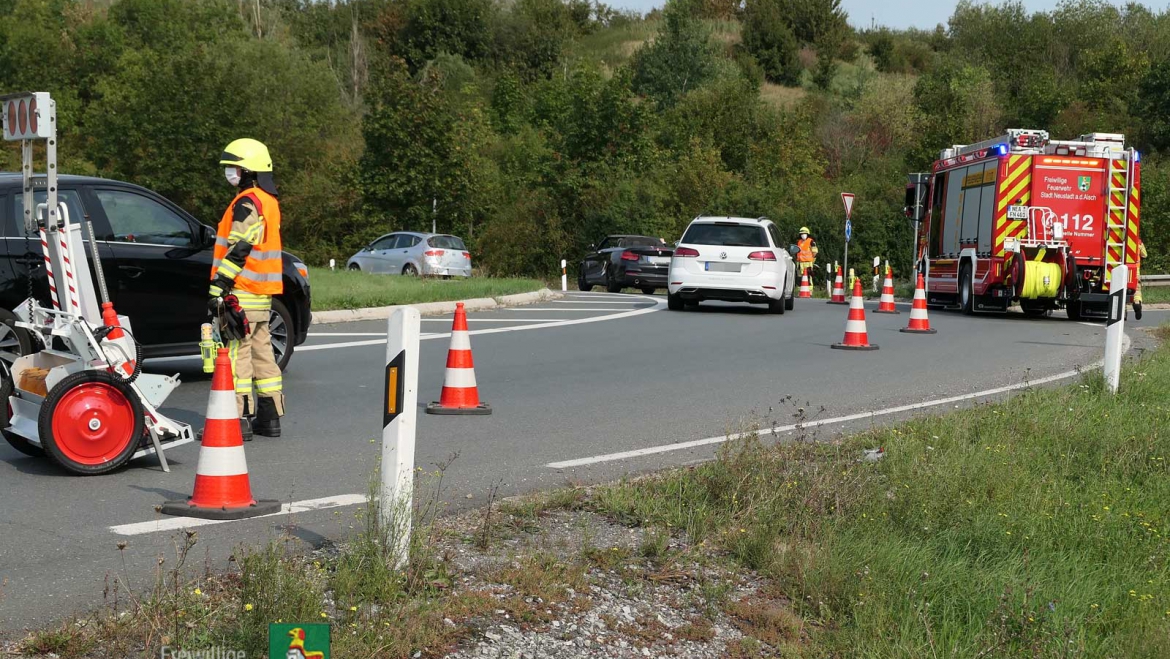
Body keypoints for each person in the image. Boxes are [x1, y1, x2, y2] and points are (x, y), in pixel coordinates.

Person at [209, 138, 285, 438]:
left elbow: (240, 246)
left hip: (239, 291)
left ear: (249, 171)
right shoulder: (268, 201)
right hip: (261, 296)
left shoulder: (247, 201)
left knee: (237, 354)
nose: (230, 173)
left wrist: (219, 285)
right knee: (263, 355)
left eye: (235, 168)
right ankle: (270, 419)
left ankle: (238, 419)